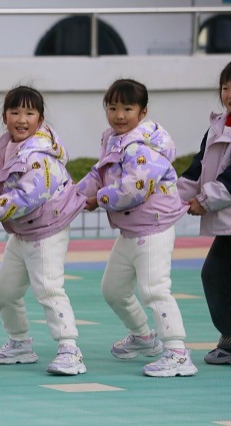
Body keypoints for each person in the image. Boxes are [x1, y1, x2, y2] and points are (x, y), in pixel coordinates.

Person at [77, 78, 197, 377]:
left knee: (155, 290)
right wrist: (71, 195)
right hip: (131, 229)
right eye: (112, 108)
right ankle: (144, 337)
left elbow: (133, 189)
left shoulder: (143, 146)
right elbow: (99, 173)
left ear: (142, 112)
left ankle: (178, 353)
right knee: (113, 289)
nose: (119, 115)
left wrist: (97, 199)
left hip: (154, 228)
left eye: (127, 109)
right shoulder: (113, 139)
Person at [0, 85, 87, 375]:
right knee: (5, 291)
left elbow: (28, 196)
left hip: (48, 229)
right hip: (22, 231)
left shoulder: (39, 155)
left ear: (40, 119)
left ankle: (70, 349)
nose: (21, 119)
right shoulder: (2, 147)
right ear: (5, 117)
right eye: (14, 112)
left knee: (48, 288)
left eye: (29, 113)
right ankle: (20, 343)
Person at [178, 62, 231, 366]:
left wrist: (204, 201)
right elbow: (197, 170)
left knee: (215, 274)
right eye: (225, 88)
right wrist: (168, 199)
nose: (228, 95)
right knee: (216, 275)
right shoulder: (217, 127)